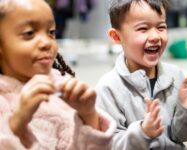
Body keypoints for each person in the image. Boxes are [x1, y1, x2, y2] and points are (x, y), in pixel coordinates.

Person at [95, 0, 187, 149]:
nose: (155, 36)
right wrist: (142, 132)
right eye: (143, 29)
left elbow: (182, 135)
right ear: (117, 37)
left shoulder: (174, 76)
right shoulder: (108, 87)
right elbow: (109, 144)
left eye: (161, 27)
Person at [0, 0, 116, 149]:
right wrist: (17, 122)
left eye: (51, 32)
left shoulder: (62, 85)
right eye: (29, 33)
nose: (46, 43)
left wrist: (88, 115)